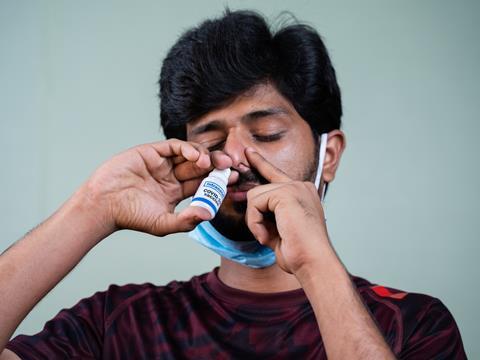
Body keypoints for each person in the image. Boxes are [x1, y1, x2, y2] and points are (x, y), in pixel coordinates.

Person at [0, 10, 466, 359]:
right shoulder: (118, 325)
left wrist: (315, 264)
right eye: (211, 137)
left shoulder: (413, 324)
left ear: (330, 155)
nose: (235, 157)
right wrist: (93, 207)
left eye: (266, 133)